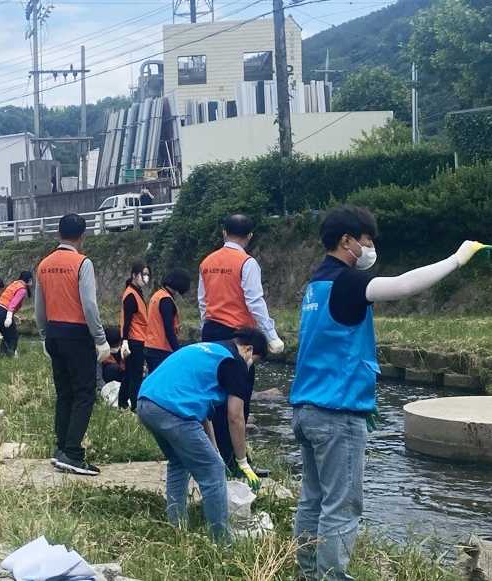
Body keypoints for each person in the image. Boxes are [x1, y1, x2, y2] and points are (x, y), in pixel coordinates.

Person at [289, 206, 485, 580]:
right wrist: (457, 259)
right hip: (337, 413)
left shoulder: (315, 284)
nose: (370, 247)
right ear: (346, 241)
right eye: (367, 240)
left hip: (307, 409)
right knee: (341, 507)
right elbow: (404, 285)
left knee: (312, 501)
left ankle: (307, 573)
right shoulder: (347, 283)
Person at [137, 327, 268, 541]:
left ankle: (177, 527)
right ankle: (221, 541)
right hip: (172, 410)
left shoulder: (209, 350)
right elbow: (235, 416)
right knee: (214, 471)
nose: (252, 365)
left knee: (179, 463)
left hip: (147, 403)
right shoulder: (234, 361)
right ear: (249, 349)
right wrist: (242, 461)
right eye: (255, 360)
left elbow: (203, 415)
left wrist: (214, 450)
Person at [199, 214, 284, 474]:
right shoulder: (247, 262)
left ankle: (219, 458)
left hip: (211, 332)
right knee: (239, 401)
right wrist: (271, 336)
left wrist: (208, 328)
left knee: (215, 400)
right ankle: (238, 462)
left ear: (224, 232)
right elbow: (255, 301)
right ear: (249, 236)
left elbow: (203, 302)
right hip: (239, 337)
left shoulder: (207, 262)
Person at [35, 213, 110, 476]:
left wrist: (44, 335)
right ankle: (74, 453)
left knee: (64, 393)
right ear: (82, 236)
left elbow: (39, 307)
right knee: (84, 394)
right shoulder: (82, 263)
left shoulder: (43, 264)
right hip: (77, 334)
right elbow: (89, 305)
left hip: (54, 333)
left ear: (58, 233)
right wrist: (100, 339)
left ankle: (61, 448)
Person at [144, 269, 191, 374]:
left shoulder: (157, 295)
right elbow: (168, 329)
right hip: (161, 348)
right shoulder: (166, 300)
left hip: (150, 345)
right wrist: (177, 351)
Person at [119, 260, 150, 410]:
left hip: (137, 338)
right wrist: (124, 340)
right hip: (134, 339)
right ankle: (134, 406)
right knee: (135, 375)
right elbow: (127, 321)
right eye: (143, 274)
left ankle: (123, 403)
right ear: (134, 275)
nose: (145, 277)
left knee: (130, 373)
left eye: (147, 274)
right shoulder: (131, 295)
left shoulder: (136, 292)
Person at [0, 271, 33, 357]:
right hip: (2, 312)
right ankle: (11, 356)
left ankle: (2, 355)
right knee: (13, 336)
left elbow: (5, 300)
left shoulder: (14, 284)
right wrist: (9, 317)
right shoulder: (22, 289)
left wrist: (12, 316)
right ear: (29, 280)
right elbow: (12, 304)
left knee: (6, 335)